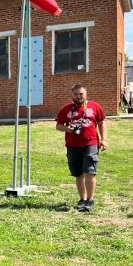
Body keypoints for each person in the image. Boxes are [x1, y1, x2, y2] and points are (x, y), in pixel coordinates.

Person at [55, 84, 107, 212]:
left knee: (89, 171)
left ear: (86, 94)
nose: (78, 96)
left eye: (81, 94)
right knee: (78, 173)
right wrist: (69, 129)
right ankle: (82, 199)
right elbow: (58, 125)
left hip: (91, 143)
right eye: (76, 94)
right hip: (72, 145)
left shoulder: (94, 106)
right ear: (72, 95)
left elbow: (101, 122)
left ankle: (90, 200)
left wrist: (104, 139)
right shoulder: (66, 109)